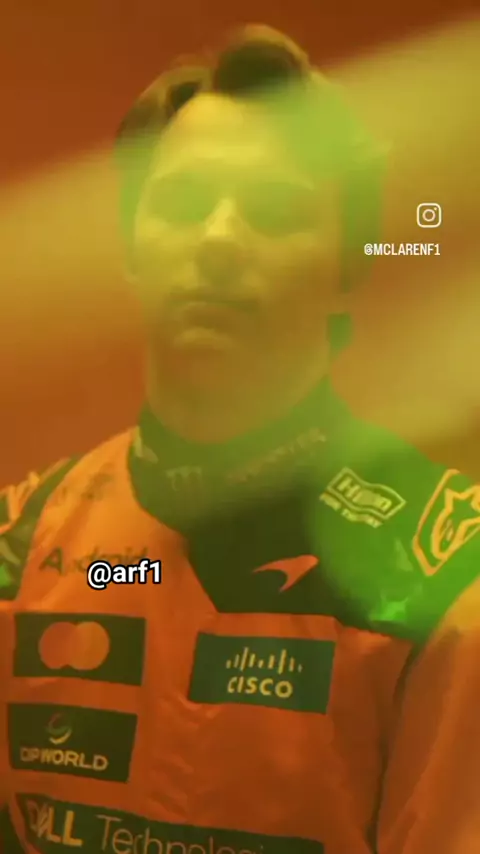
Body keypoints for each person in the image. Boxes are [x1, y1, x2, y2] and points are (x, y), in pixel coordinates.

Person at [1, 24, 479, 854]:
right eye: (185, 202)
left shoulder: (446, 575)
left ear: (345, 268)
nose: (219, 237)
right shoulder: (22, 543)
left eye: (273, 209)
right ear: (132, 248)